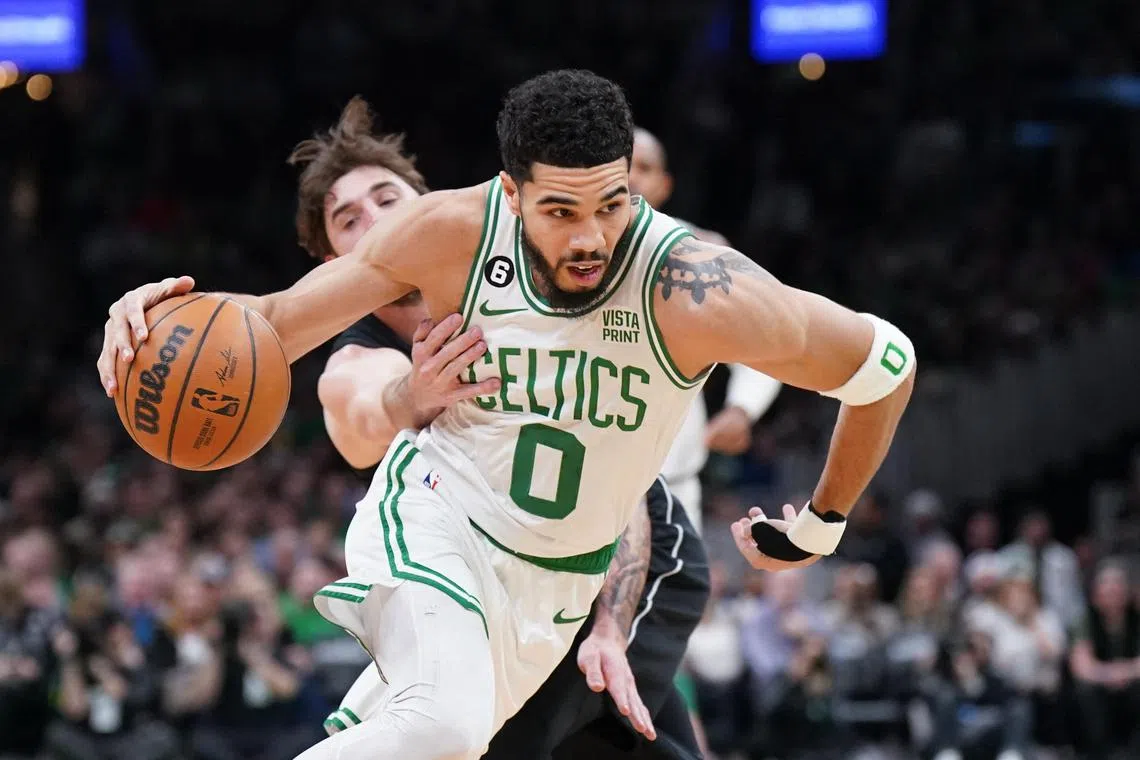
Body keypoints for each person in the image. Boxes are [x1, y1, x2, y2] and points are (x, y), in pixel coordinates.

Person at [97, 69, 916, 760]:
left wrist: (824, 521)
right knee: (445, 725)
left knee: (436, 742)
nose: (591, 237)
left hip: (559, 585)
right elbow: (270, 325)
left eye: (611, 203)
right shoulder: (450, 234)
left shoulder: (694, 287)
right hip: (438, 520)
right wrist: (150, 317)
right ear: (511, 192)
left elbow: (885, 365)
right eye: (561, 211)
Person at [296, 98, 709, 758]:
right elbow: (359, 419)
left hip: (617, 555)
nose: (378, 221)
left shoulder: (517, 271)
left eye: (388, 198)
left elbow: (615, 476)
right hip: (502, 580)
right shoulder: (360, 355)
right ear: (330, 265)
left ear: (428, 209)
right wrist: (410, 397)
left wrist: (610, 624)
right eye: (349, 220)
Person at [628, 127, 783, 534]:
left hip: (669, 490)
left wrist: (741, 409)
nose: (630, 176)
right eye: (622, 164)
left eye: (643, 167)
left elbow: (763, 343)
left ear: (664, 185)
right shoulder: (566, 247)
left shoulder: (702, 251)